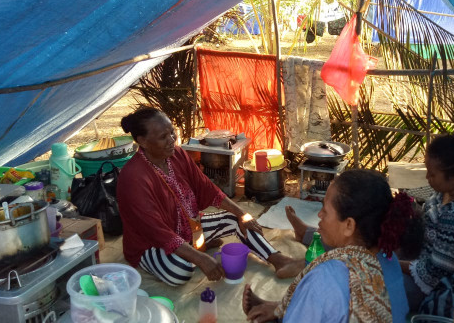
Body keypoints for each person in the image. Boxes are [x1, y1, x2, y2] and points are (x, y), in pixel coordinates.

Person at [116, 107, 303, 286]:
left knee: (239, 220)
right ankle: (196, 248)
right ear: (143, 141)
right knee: (180, 272)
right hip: (150, 243)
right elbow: (156, 231)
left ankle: (279, 260)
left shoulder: (177, 154)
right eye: (163, 137)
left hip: (188, 226)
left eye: (172, 132)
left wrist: (242, 214)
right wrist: (201, 259)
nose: (172, 139)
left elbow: (206, 187)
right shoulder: (133, 177)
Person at [242, 169, 423, 323]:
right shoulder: (390, 262)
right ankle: (279, 309)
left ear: (349, 226)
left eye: (325, 211)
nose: (319, 215)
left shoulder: (324, 278)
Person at [399, 125, 454, 313]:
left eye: (432, 174)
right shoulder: (453, 191)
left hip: (432, 286)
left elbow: (434, 273)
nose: (427, 177)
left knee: (374, 285)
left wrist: (392, 265)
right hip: (422, 258)